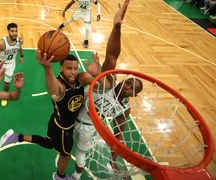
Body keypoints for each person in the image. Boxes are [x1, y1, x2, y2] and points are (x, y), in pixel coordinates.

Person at [0, 51, 107, 180]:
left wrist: (97, 74)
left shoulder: (82, 78)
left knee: (49, 143)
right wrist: (47, 67)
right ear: (61, 68)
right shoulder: (59, 84)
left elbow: (105, 87)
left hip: (56, 121)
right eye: (68, 68)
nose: (73, 72)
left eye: (75, 68)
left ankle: (16, 136)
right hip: (63, 129)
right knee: (65, 156)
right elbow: (52, 88)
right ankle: (60, 176)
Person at [70, 0, 143, 179]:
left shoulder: (124, 110)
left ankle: (76, 176)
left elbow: (118, 134)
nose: (126, 86)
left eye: (131, 88)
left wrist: (114, 158)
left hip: (88, 126)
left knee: (80, 154)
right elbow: (112, 55)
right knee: (60, 144)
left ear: (133, 95)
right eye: (128, 82)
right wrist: (116, 28)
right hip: (72, 111)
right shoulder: (109, 81)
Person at [0, 23, 24, 107]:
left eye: (16, 31)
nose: (15, 33)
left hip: (11, 65)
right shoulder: (1, 43)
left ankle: (4, 97)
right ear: (8, 31)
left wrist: (21, 56)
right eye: (12, 31)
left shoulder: (19, 40)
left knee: (7, 83)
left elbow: (19, 48)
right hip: (0, 63)